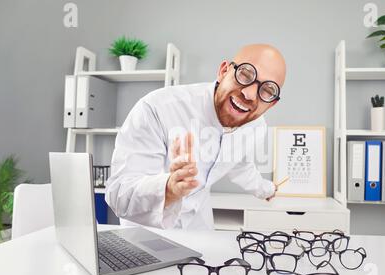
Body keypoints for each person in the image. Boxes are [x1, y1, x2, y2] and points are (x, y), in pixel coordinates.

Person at [105, 44, 287, 229]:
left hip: (199, 219)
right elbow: (119, 194)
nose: (249, 94)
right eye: (245, 74)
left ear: (271, 104)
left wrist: (266, 189)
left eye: (267, 90)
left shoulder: (256, 125)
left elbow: (239, 164)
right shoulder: (156, 108)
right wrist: (169, 189)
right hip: (148, 227)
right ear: (223, 71)